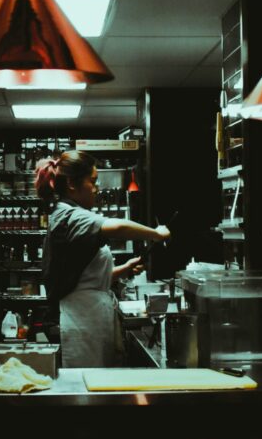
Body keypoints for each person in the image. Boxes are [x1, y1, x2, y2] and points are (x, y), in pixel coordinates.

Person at [34, 150, 170, 367]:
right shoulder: (70, 215)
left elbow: (84, 279)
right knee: (85, 387)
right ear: (71, 183)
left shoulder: (68, 213)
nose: (96, 189)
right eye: (93, 181)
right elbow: (117, 227)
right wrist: (157, 233)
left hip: (88, 316)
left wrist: (123, 269)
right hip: (82, 321)